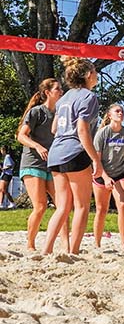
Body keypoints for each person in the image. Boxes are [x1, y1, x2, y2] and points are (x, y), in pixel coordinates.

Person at [43, 56, 111, 255]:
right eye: (95, 72)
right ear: (89, 75)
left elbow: (55, 128)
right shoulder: (88, 97)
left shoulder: (64, 98)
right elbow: (82, 130)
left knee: (62, 207)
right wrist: (96, 160)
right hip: (74, 152)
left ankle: (46, 250)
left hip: (56, 152)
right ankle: (73, 251)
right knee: (81, 206)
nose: (96, 75)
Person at [16, 78, 69, 250]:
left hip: (52, 164)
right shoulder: (37, 112)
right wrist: (37, 146)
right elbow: (21, 136)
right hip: (32, 163)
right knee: (40, 206)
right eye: (58, 89)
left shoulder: (60, 114)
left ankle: (66, 245)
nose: (61, 92)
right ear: (47, 92)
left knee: (63, 206)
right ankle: (30, 244)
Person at [93, 104, 124, 249]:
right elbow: (96, 160)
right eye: (117, 111)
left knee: (123, 205)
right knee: (101, 209)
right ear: (109, 115)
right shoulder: (103, 133)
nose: (120, 113)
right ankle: (97, 243)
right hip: (102, 173)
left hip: (121, 172)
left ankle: (123, 243)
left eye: (122, 111)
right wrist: (105, 177)